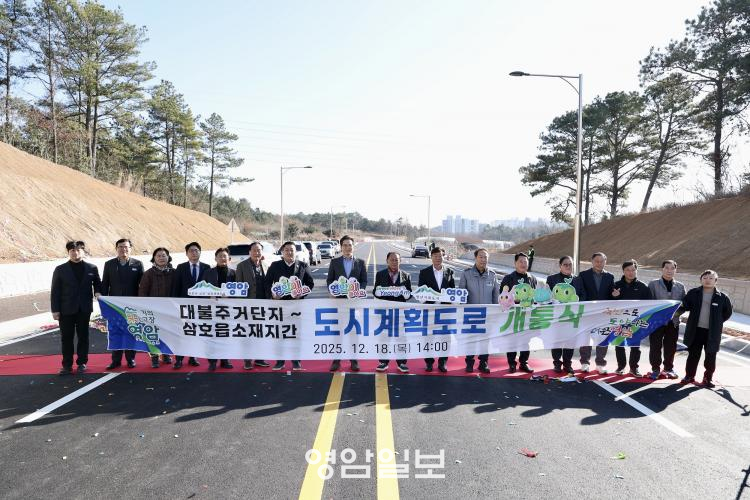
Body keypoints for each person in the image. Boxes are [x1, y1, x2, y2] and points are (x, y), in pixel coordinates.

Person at [50, 240, 101, 375]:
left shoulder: (92, 268)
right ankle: (67, 365)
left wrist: (97, 292)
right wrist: (55, 310)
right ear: (68, 252)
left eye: (78, 250)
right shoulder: (60, 269)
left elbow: (98, 283)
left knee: (83, 336)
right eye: (72, 250)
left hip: (84, 308)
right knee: (66, 338)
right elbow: (55, 291)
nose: (75, 252)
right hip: (65, 309)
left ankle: (82, 363)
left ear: (83, 251)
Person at [678, 270, 733, 388]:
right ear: (701, 280)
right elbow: (685, 305)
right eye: (705, 278)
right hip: (696, 330)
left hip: (712, 332)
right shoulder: (693, 293)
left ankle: (708, 378)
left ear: (716, 281)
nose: (708, 280)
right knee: (693, 355)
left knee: (711, 356)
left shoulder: (722, 297)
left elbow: (727, 312)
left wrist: (716, 322)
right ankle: (689, 376)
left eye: (711, 278)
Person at [267, 241, 315, 371]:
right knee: (280, 334)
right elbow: (267, 283)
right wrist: (272, 295)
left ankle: (296, 361)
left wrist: (302, 294)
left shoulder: (303, 265)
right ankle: (280, 361)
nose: (289, 252)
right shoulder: (275, 265)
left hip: (297, 306)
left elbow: (310, 284)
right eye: (286, 250)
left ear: (295, 252)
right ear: (282, 252)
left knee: (296, 334)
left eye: (292, 250)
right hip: (280, 306)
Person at [326, 235, 366, 372]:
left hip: (354, 303)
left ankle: (354, 360)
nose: (347, 247)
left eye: (350, 245)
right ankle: (336, 361)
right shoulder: (334, 262)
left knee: (353, 332)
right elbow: (330, 280)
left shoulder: (360, 262)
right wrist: (332, 291)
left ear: (353, 247)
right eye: (345, 245)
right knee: (338, 332)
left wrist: (358, 291)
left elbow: (364, 281)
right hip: (339, 303)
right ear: (341, 247)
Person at [103, 238, 144, 369]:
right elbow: (105, 284)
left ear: (130, 249)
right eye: (120, 247)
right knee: (116, 333)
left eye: (126, 247)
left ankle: (130, 359)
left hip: (132, 306)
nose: (123, 249)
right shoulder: (109, 264)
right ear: (116, 249)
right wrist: (103, 300)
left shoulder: (138, 264)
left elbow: (142, 285)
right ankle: (116, 360)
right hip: (114, 306)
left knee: (131, 332)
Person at [171, 241, 210, 369]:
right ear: (187, 254)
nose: (194, 253)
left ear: (200, 252)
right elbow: (176, 286)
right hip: (184, 306)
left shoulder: (207, 267)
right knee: (182, 333)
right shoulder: (181, 267)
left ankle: (193, 357)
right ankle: (179, 359)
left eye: (196, 250)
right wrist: (175, 304)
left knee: (196, 332)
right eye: (191, 251)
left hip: (200, 307)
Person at [611, 259, 652, 377]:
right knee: (619, 344)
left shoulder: (643, 287)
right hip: (620, 320)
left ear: (636, 271)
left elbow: (649, 304)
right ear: (623, 271)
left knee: (635, 346)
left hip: (636, 321)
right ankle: (621, 367)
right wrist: (614, 297)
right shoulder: (616, 285)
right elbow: (609, 304)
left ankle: (634, 368)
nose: (630, 272)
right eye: (628, 270)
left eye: (633, 270)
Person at [576, 252, 615, 374]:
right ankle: (585, 362)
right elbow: (580, 292)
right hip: (588, 312)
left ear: (605, 262)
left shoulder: (610, 277)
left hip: (604, 313)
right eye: (596, 261)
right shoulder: (583, 275)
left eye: (601, 261)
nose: (599, 263)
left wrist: (615, 296)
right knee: (585, 338)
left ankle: (600, 363)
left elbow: (611, 295)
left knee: (603, 338)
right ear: (592, 262)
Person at [647, 260, 686, 380]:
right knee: (655, 346)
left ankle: (668, 368)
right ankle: (655, 369)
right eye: (667, 268)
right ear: (662, 269)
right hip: (656, 322)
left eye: (672, 268)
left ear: (675, 270)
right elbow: (649, 303)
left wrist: (675, 314)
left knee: (671, 346)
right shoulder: (653, 284)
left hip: (673, 322)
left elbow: (684, 305)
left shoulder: (680, 286)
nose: (669, 271)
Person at [374, 251, 412, 373]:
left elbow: (409, 295)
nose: (394, 262)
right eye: (392, 260)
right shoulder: (380, 274)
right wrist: (381, 291)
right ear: (387, 261)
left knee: (401, 338)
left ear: (400, 261)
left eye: (396, 260)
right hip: (385, 312)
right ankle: (383, 362)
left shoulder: (406, 275)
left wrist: (404, 292)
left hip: (400, 313)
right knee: (384, 337)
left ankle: (402, 362)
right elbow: (375, 292)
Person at [418, 246, 455, 373]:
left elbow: (452, 291)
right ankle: (429, 362)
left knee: (445, 337)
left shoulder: (449, 272)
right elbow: (421, 291)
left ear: (443, 257)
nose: (438, 258)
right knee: (428, 337)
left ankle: (442, 362)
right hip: (430, 310)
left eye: (440, 256)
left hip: (445, 311)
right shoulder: (424, 272)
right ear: (431, 257)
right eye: (435, 256)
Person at [235, 241, 271, 370]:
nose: (257, 252)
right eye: (254, 250)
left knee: (260, 332)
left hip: (263, 306)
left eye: (259, 250)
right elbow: (238, 286)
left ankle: (259, 358)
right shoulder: (241, 266)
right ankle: (247, 359)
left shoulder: (266, 265)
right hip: (247, 306)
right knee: (248, 333)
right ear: (249, 252)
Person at [463, 248, 499, 374]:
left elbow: (496, 296)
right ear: (475, 258)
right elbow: (461, 295)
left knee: (485, 340)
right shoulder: (466, 274)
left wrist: (495, 313)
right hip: (470, 314)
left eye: (485, 257)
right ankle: (469, 362)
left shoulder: (492, 275)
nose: (483, 260)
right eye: (481, 257)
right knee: (470, 339)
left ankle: (483, 363)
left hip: (487, 315)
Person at [138, 247, 175, 368]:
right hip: (153, 310)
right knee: (153, 334)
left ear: (168, 257)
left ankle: (166, 354)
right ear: (154, 258)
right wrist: (145, 307)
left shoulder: (174, 272)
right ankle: (154, 357)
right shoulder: (148, 273)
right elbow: (142, 292)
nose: (161, 258)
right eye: (158, 256)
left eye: (164, 255)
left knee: (167, 333)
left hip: (170, 310)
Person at [499, 252, 536, 373]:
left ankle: (524, 363)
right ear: (515, 263)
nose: (523, 264)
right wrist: (513, 298)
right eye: (520, 261)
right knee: (512, 340)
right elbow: (502, 297)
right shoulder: (508, 278)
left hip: (528, 315)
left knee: (526, 340)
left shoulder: (532, 278)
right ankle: (511, 364)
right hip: (513, 315)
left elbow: (535, 296)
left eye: (525, 262)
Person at [203, 248, 235, 371]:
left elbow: (240, 291)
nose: (222, 258)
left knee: (225, 334)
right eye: (220, 256)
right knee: (212, 335)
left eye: (225, 256)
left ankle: (225, 360)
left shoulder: (234, 273)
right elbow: (201, 289)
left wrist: (230, 296)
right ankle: (212, 361)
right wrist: (209, 296)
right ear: (215, 258)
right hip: (211, 308)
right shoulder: (208, 273)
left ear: (229, 259)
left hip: (228, 310)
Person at [546, 255, 576, 374]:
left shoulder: (577, 279)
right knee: (557, 340)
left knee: (570, 340)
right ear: (560, 266)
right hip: (556, 316)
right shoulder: (551, 279)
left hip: (573, 315)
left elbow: (582, 294)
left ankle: (567, 364)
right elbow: (547, 296)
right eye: (565, 264)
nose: (568, 267)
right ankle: (557, 363)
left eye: (570, 264)